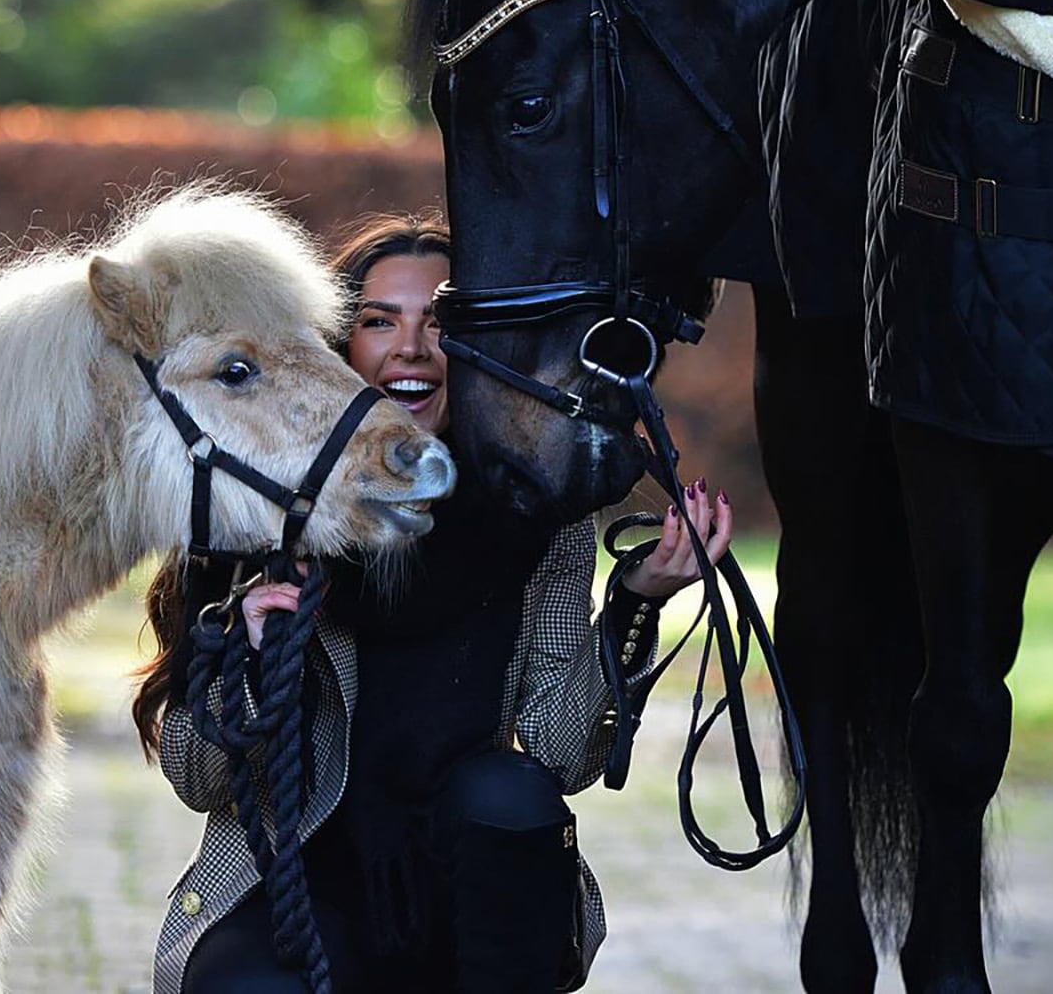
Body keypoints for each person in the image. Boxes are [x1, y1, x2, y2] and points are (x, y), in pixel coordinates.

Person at [133, 212, 733, 993]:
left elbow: (560, 755)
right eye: (379, 322)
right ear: (337, 349)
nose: (411, 347)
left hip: (472, 889)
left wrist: (636, 603)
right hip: (296, 889)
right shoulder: (256, 509)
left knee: (508, 794)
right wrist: (246, 653)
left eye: (441, 322)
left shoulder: (536, 518)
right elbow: (198, 778)